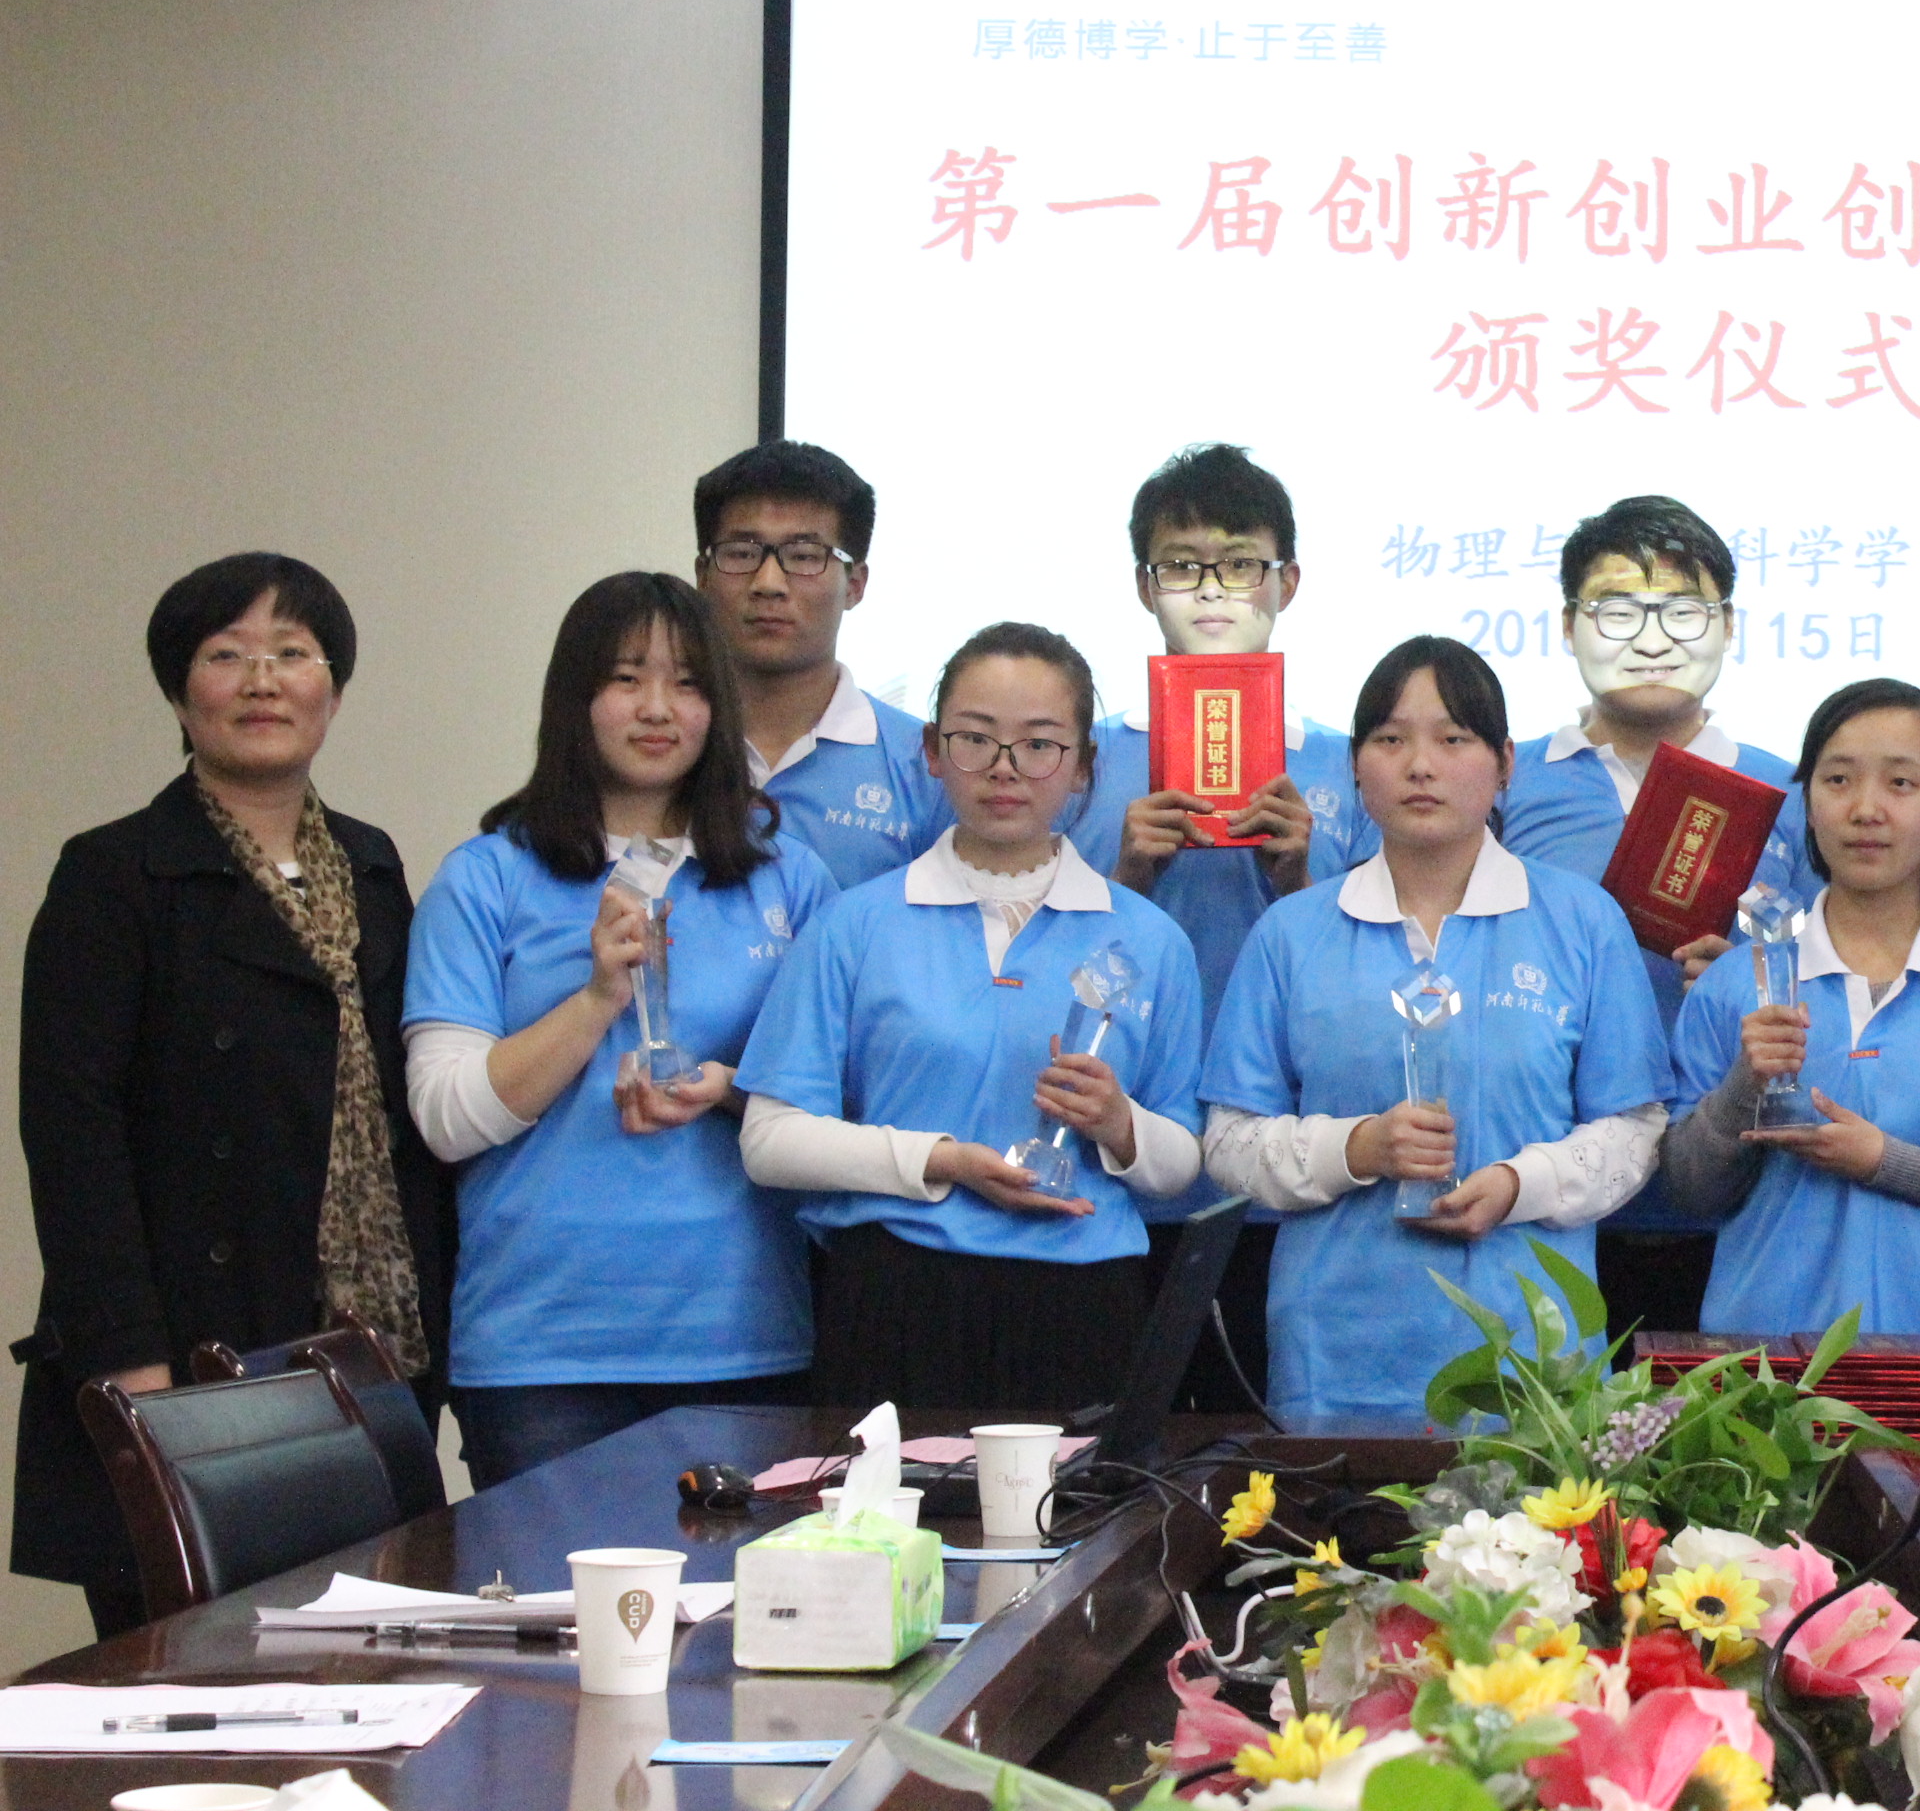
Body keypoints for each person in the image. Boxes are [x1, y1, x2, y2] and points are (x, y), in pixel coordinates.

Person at [14, 555, 454, 1635]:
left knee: (372, 1670)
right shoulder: (116, 874)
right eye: (227, 655)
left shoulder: (372, 868)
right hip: (187, 1355)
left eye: (292, 654)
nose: (262, 681)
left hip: (359, 1355)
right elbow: (72, 1132)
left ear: (332, 692)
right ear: (179, 692)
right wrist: (133, 1369)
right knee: (184, 1680)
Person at [402, 574, 840, 1487]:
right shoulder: (486, 877)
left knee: (742, 1586)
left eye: (688, 683)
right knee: (550, 1587)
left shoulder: (790, 880)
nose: (657, 709)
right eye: (626, 678)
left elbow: (840, 1102)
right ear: (575, 698)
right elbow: (446, 1119)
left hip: (743, 1335)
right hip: (540, 1349)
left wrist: (728, 1090)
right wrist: (597, 997)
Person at [738, 623, 1209, 1412]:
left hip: (1084, 1303)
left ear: (1084, 766)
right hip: (896, 1294)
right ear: (931, 750)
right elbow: (771, 1140)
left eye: (1039, 745)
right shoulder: (855, 925)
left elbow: (1182, 1163)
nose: (1004, 768)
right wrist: (942, 1160)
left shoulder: (1151, 939)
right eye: (975, 739)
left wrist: (1119, 1122)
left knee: (1084, 1499)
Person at [1200, 637, 1670, 1417]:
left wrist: (1520, 1185)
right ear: (1355, 765)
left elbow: (1636, 1130)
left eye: (1453, 739)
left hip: (1533, 1359)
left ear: (1506, 762)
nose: (1420, 765)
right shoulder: (1292, 933)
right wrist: (1359, 1148)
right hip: (1337, 1356)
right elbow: (1228, 1142)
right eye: (1391, 740)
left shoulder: (1582, 922)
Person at [1659, 680, 1920, 1422]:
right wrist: (1742, 1088)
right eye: (1839, 780)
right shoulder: (1737, 984)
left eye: (1901, 783)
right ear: (1807, 801)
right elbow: (1688, 1192)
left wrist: (1885, 1160)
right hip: (1767, 1386)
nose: (1866, 809)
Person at [1502, 495, 1794, 1338]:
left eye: (1683, 611)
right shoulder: (1508, 782)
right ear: (1567, 626)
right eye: (1618, 610)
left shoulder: (1797, 787)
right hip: (1553, 1184)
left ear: (1728, 626)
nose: (1652, 637)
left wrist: (1752, 977)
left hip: (1741, 1187)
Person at [1065, 442, 1371, 1016]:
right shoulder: (1079, 758)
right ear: (1145, 586)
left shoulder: (1354, 764)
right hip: (1119, 1061)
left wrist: (1297, 884)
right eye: (1181, 567)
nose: (1211, 588)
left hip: (1287, 1065)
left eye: (1240, 564)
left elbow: (1372, 977)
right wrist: (1125, 879)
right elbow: (1037, 962)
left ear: (1288, 582)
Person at [692, 440, 945, 886]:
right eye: (741, 553)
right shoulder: (656, 746)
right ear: (702, 576)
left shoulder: (925, 767)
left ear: (855, 584)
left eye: (805, 556)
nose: (768, 583)